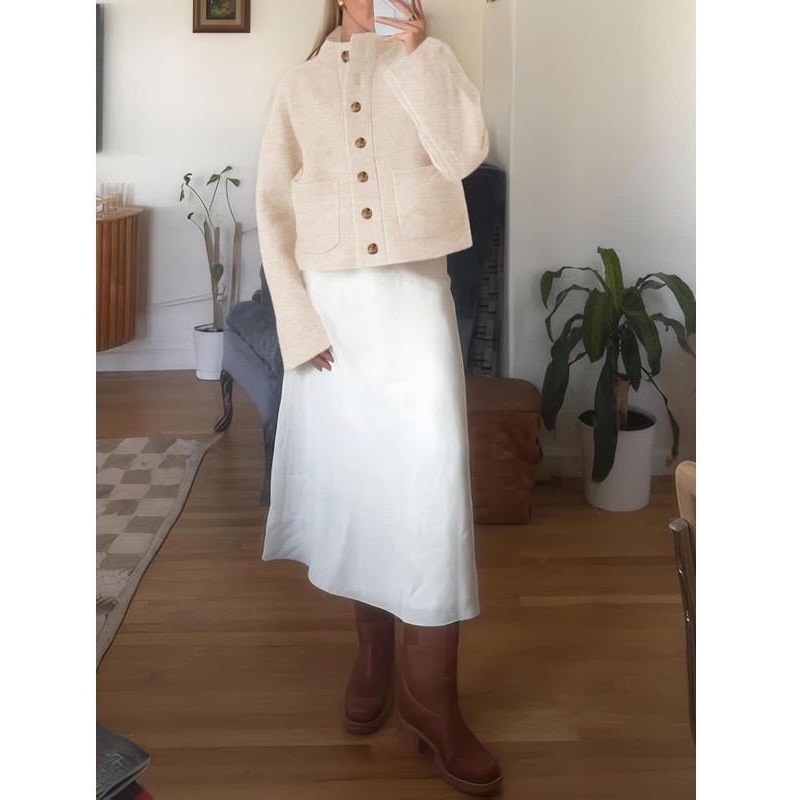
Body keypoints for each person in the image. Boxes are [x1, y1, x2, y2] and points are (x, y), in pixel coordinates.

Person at [255, 0, 502, 794]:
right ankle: (373, 655)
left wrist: (421, 56)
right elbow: (273, 209)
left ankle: (431, 697)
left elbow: (465, 154)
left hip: (414, 301)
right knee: (359, 484)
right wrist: (298, 324)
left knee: (431, 485)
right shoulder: (297, 86)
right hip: (333, 315)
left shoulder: (431, 61)